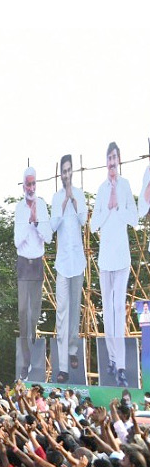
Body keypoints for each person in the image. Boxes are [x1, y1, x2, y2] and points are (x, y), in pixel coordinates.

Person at [91, 141, 139, 385]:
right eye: (108, 157)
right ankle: (111, 358)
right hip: (105, 258)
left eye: (114, 158)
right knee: (107, 313)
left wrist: (117, 206)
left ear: (119, 160)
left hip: (121, 258)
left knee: (119, 309)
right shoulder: (100, 189)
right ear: (105, 161)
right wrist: (106, 209)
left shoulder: (126, 186)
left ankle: (120, 365)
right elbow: (92, 224)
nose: (111, 162)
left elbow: (135, 218)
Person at [50, 154, 87, 381]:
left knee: (75, 308)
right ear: (60, 174)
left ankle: (73, 349)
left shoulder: (80, 194)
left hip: (78, 260)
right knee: (61, 311)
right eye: (63, 171)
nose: (66, 175)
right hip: (63, 263)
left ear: (72, 172)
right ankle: (63, 366)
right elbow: (53, 226)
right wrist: (63, 205)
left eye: (68, 171)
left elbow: (83, 220)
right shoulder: (55, 198)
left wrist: (74, 200)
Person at [13, 166, 51, 380]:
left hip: (37, 263)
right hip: (22, 263)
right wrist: (29, 222)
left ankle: (35, 362)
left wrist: (37, 221)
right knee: (23, 314)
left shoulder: (43, 206)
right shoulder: (19, 208)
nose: (31, 187)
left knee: (34, 315)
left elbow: (47, 236)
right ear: (23, 186)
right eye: (28, 184)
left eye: (34, 183)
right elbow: (17, 240)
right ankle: (25, 364)